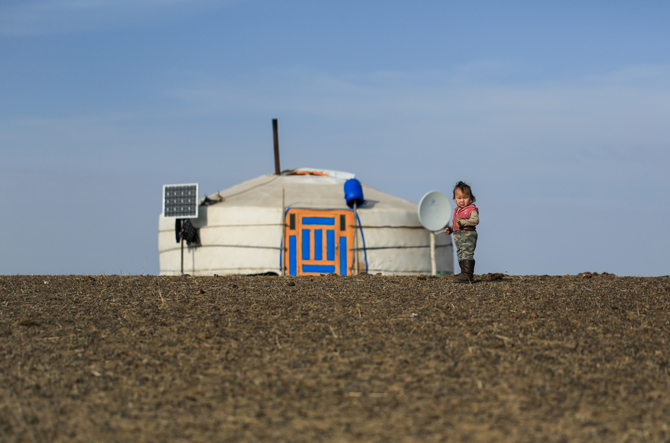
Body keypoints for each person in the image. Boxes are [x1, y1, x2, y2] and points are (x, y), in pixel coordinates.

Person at [444, 181, 479, 283]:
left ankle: (468, 275)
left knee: (467, 253)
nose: (462, 200)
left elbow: (475, 220)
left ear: (471, 198)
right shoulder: (458, 210)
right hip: (459, 235)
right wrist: (451, 229)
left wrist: (463, 223)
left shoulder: (471, 209)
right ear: (455, 199)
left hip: (468, 234)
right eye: (459, 198)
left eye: (465, 197)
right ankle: (464, 273)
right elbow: (456, 223)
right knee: (461, 253)